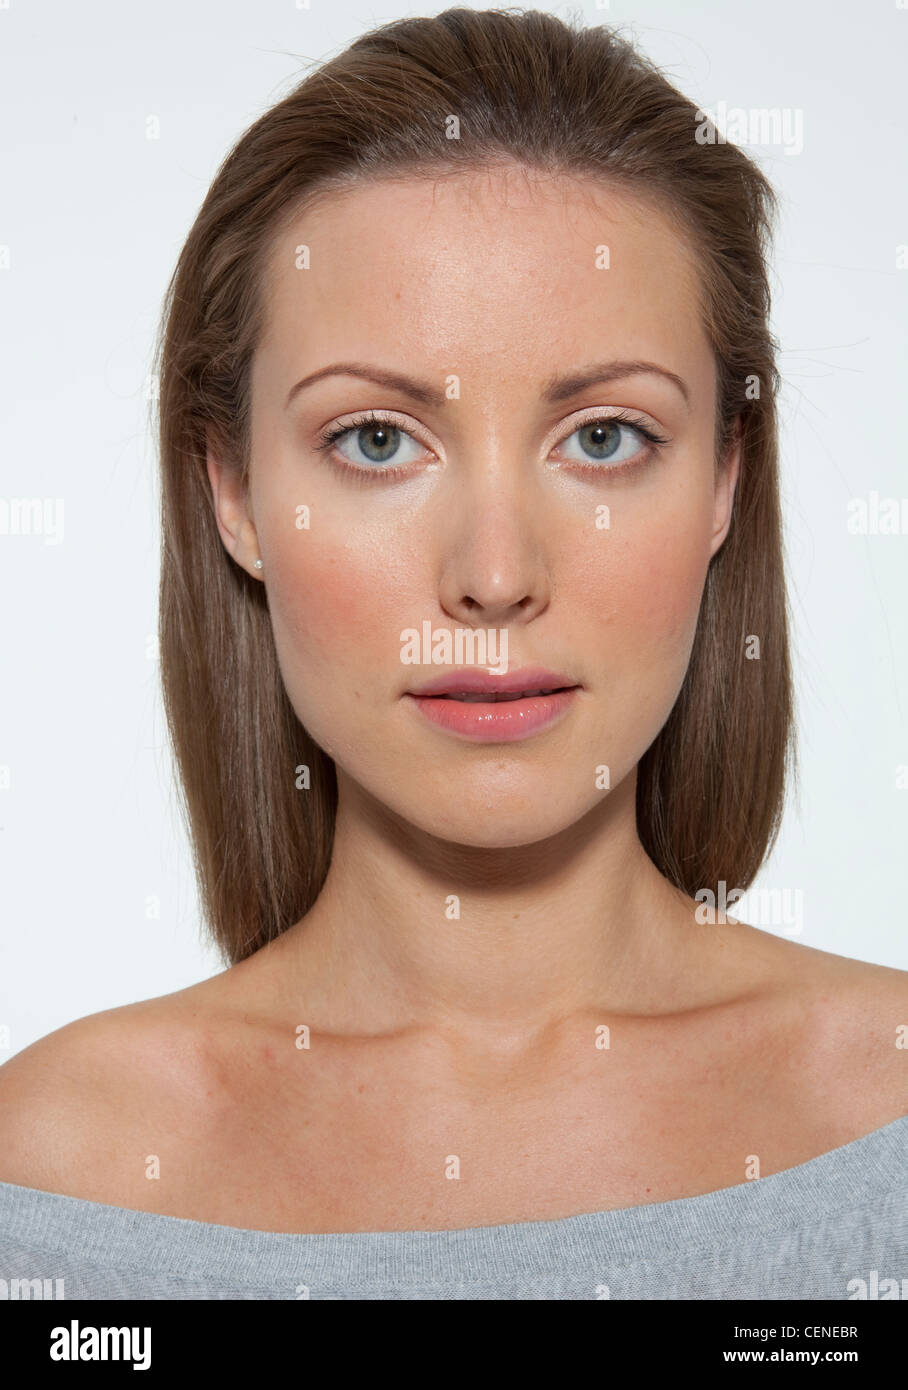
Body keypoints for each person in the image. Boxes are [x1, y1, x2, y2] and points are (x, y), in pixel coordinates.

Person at [1, 8, 905, 1300]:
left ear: (724, 482)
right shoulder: (48, 1182)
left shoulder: (886, 1113)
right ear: (234, 493)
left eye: (604, 439)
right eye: (378, 440)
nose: (493, 574)